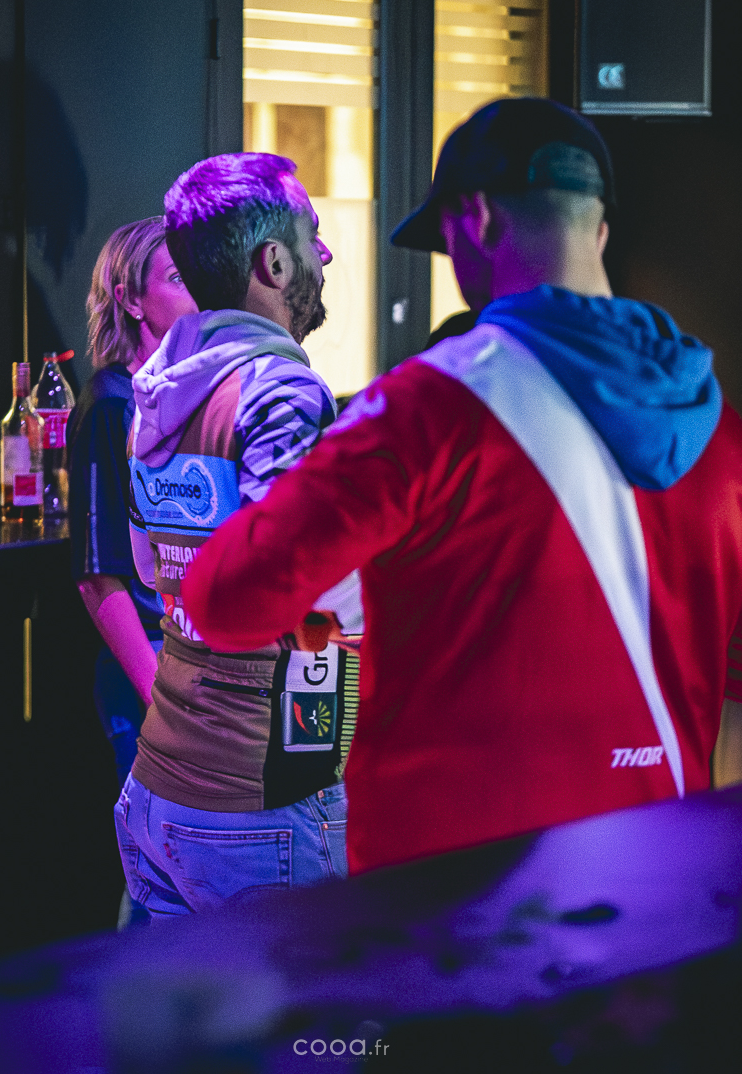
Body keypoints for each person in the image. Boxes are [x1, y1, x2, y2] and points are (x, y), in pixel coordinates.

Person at [179, 97, 742, 876]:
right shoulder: (715, 425)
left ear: (473, 220)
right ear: (599, 231)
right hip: (657, 867)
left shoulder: (425, 406)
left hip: (455, 889)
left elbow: (227, 599)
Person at [115, 152, 350, 916]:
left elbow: (152, 571)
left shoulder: (156, 394)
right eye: (311, 236)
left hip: (159, 786)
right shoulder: (280, 390)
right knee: (313, 1001)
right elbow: (302, 594)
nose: (324, 254)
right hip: (258, 801)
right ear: (273, 262)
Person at [67, 217, 198, 788]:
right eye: (177, 278)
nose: (195, 290)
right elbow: (98, 578)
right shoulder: (111, 404)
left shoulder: (177, 397)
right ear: (130, 299)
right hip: (146, 670)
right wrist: (161, 701)